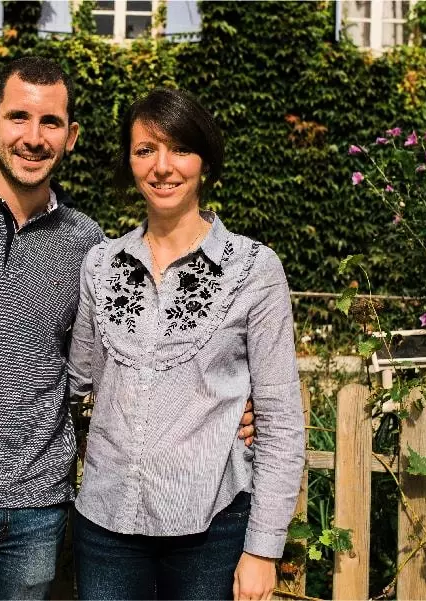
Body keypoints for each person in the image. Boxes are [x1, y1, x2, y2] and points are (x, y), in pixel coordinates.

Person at [0, 57, 256, 600]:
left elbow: (123, 362)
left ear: (71, 136)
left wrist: (226, 409)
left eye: (51, 123)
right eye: (19, 117)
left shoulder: (90, 246)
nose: (34, 138)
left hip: (37, 510)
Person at [67, 88, 305, 601]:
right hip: (105, 525)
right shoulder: (100, 266)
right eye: (145, 150)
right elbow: (75, 382)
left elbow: (281, 419)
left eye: (180, 149)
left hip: (211, 529)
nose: (162, 167)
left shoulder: (254, 270)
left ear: (205, 162)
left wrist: (263, 549)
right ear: (129, 162)